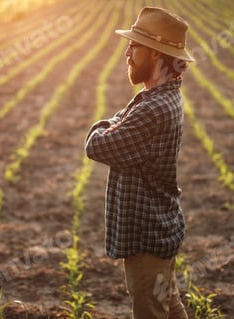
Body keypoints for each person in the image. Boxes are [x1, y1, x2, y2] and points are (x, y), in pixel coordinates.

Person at [84, 6, 194, 319]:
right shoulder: (159, 98)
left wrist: (103, 125)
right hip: (159, 228)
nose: (127, 53)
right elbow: (118, 124)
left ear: (157, 55)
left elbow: (97, 145)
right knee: (170, 307)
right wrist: (116, 122)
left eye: (135, 46)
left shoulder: (153, 108)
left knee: (153, 311)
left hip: (147, 237)